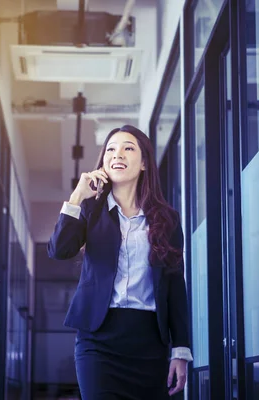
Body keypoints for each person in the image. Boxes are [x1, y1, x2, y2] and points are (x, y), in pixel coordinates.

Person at [48, 125, 193, 399]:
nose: (118, 154)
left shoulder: (167, 220)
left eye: (128, 148)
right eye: (111, 149)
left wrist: (181, 350)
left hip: (149, 341)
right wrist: (78, 196)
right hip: (98, 340)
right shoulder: (91, 210)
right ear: (104, 162)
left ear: (145, 164)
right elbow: (59, 250)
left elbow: (175, 285)